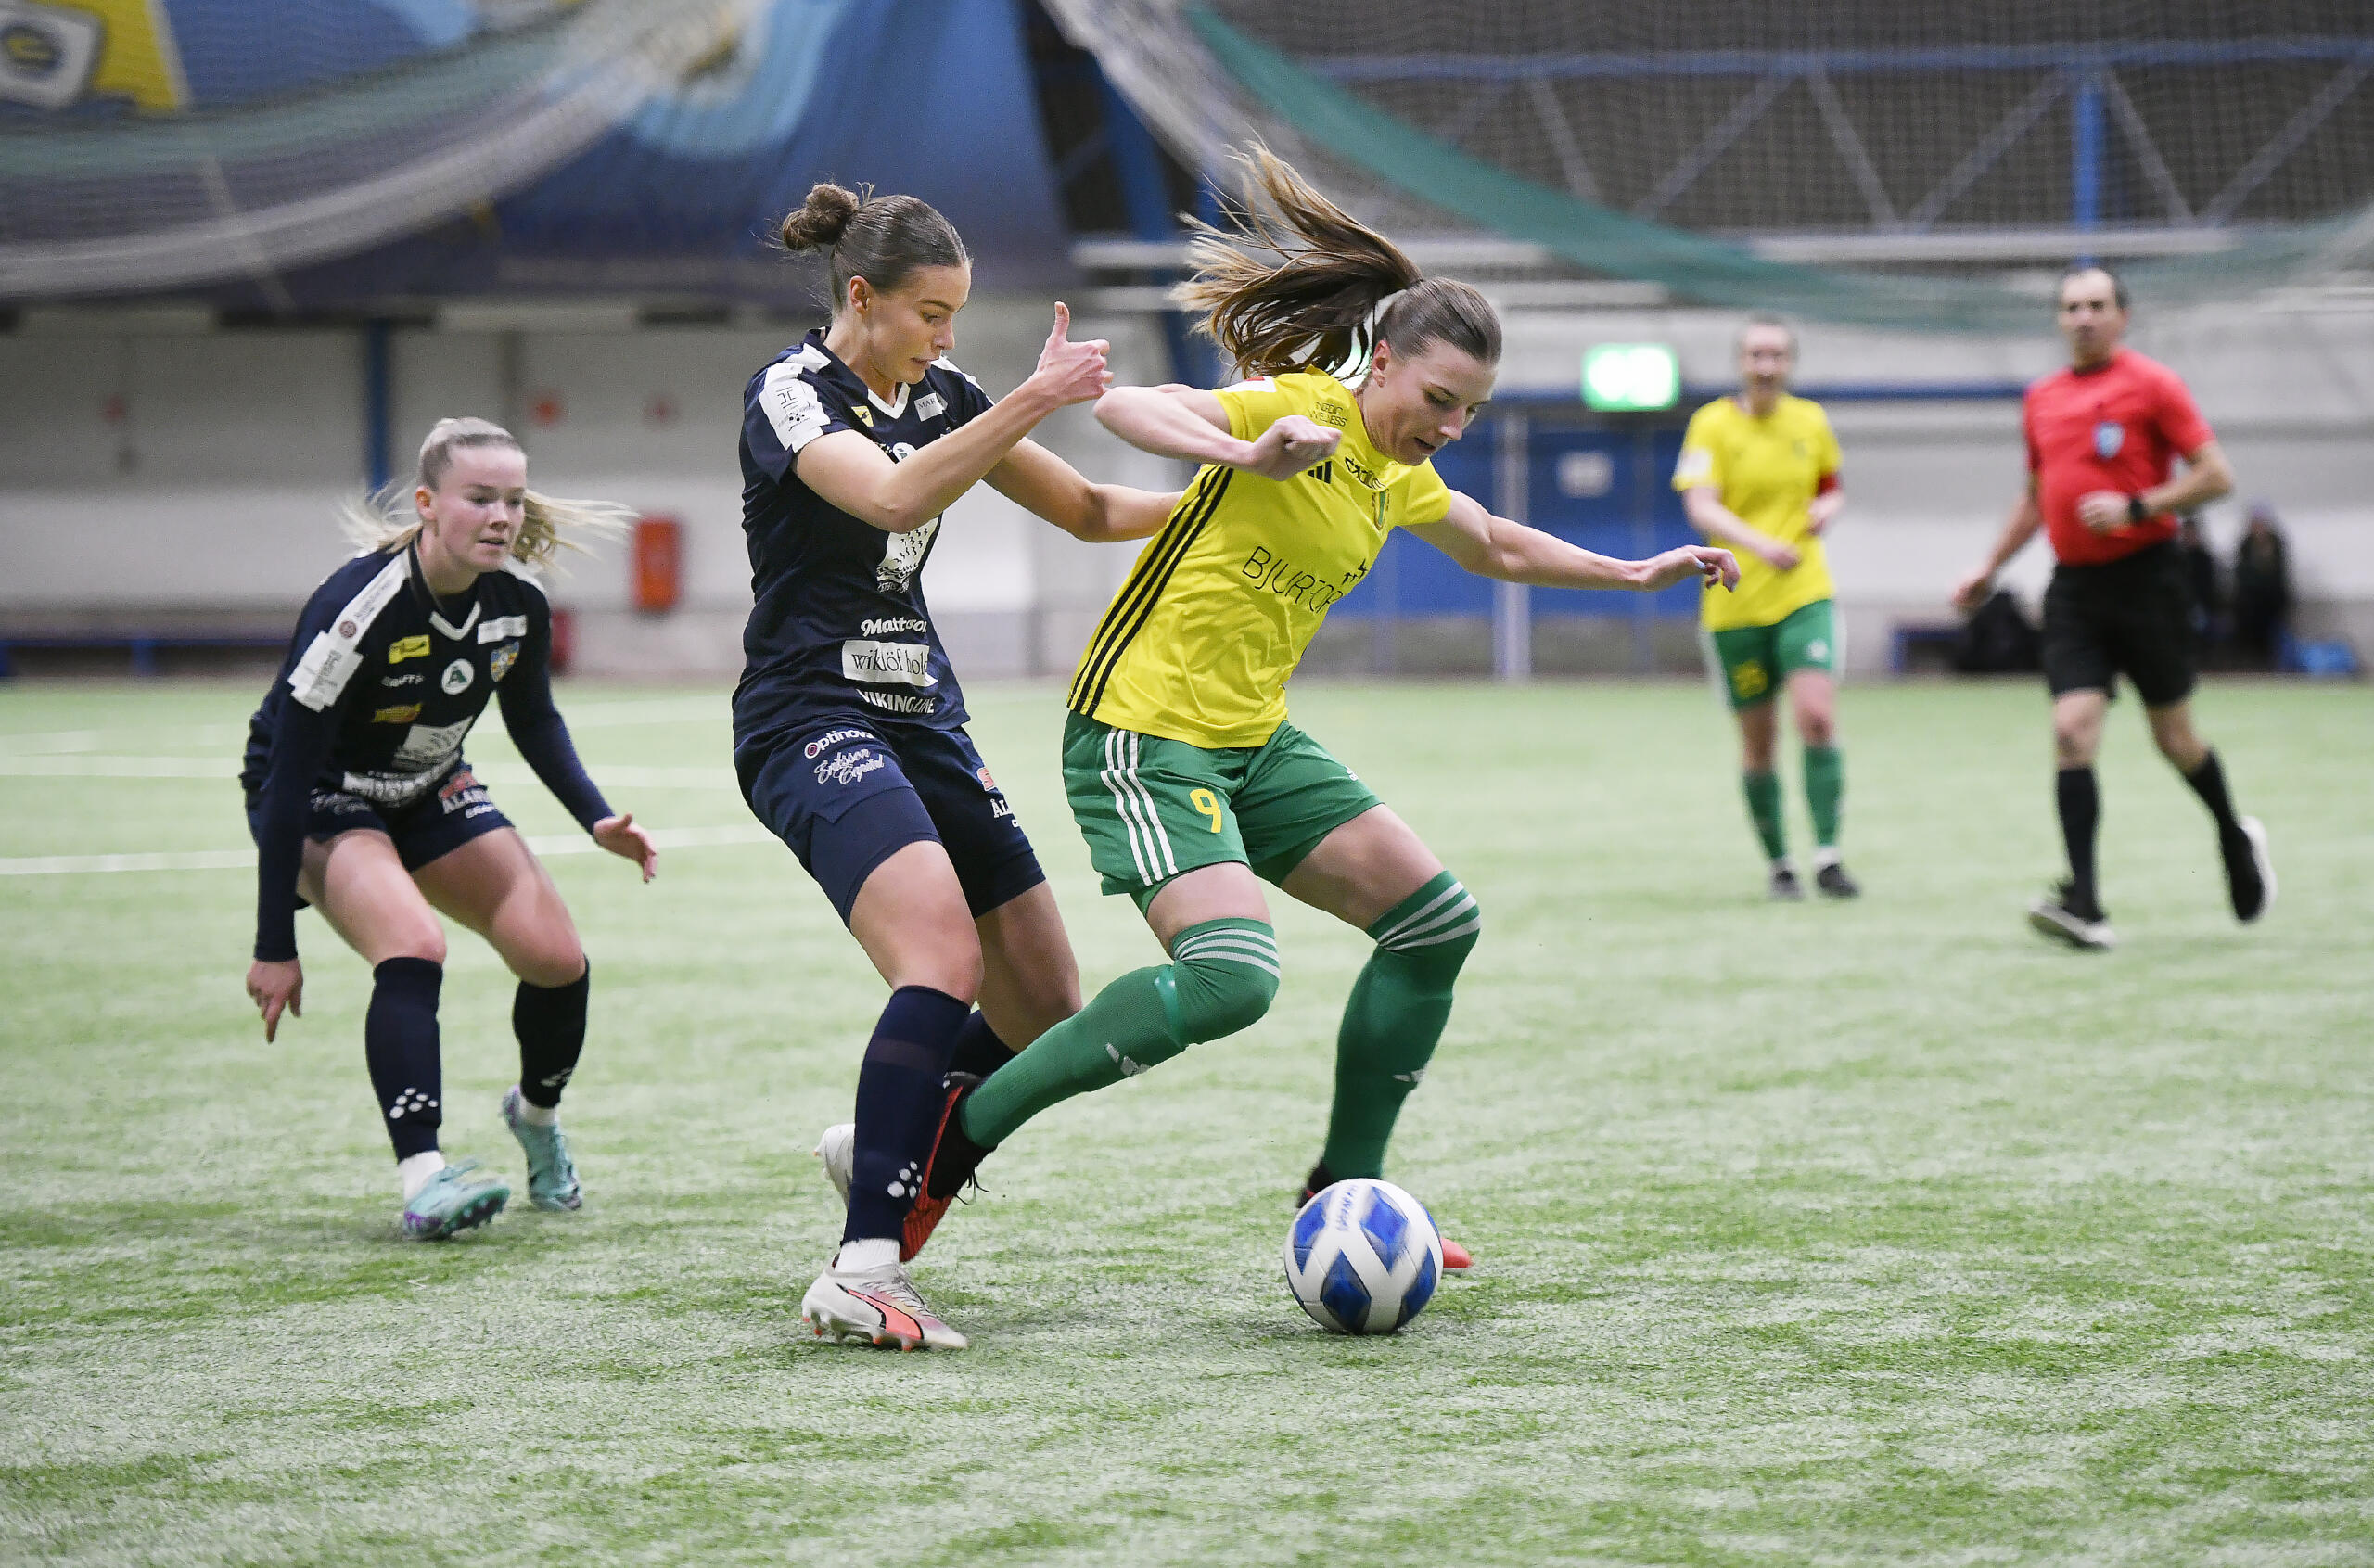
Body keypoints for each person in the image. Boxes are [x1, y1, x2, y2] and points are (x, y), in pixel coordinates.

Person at [880, 148, 1736, 1338]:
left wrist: (1631, 569)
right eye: (1438, 398)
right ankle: (952, 1138)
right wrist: (1244, 451)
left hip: (1251, 740)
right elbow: (1130, 408)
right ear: (1380, 363)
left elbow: (1492, 539)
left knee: (1435, 921)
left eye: (1471, 411)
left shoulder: (1392, 470)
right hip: (1141, 733)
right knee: (1232, 979)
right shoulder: (1305, 410)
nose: (1450, 426)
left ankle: (1345, 1185)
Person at [737, 182, 1181, 1352]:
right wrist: (1033, 395)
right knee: (939, 955)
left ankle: (882, 1141)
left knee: (1042, 1002)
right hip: (808, 714)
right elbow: (891, 496)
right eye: (931, 314)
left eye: (956, 316)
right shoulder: (789, 392)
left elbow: (1088, 507)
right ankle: (862, 1269)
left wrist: (1230, 497)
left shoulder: (946, 394)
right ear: (861, 295)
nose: (945, 338)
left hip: (924, 718)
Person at [240, 417, 659, 1240]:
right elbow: (287, 778)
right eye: (480, 498)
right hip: (323, 795)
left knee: (557, 959)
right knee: (414, 945)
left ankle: (535, 1118)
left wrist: (597, 818)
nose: (502, 517)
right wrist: (273, 944)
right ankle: (424, 1175)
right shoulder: (355, 610)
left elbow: (534, 721)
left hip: (429, 784)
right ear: (429, 504)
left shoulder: (518, 603)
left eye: (513, 499)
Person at [1952, 264, 2273, 950]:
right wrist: (1989, 566)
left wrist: (2139, 505)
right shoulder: (2041, 398)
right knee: (2071, 730)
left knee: (2174, 740)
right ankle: (2086, 904)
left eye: (2097, 305)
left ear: (2122, 316)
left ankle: (2232, 835)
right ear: (2059, 319)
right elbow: (2036, 496)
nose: (2084, 318)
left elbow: (2217, 476)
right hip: (2074, 589)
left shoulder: (2154, 384)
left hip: (2150, 581)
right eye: (2072, 307)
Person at [1675, 315, 1857, 899]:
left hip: (1804, 594)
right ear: (1741, 362)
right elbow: (1702, 506)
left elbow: (1831, 486)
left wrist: (1828, 509)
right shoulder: (1711, 425)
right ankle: (1780, 863)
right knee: (1759, 742)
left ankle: (1828, 855)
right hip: (1736, 605)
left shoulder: (1811, 421)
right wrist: (1758, 545)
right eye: (1756, 354)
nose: (1766, 365)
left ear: (1790, 363)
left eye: (1776, 354)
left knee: (1817, 718)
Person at [2230, 504, 2292, 669]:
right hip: (2251, 598)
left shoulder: (2276, 543)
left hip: (2272, 598)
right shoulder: (2245, 544)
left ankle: (2271, 658)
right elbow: (2243, 573)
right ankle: (2250, 657)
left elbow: (2279, 575)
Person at [2176, 514, 2225, 664]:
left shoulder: (2205, 558)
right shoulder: (2177, 558)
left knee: (2200, 619)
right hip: (2181, 604)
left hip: (2202, 605)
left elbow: (2209, 587)